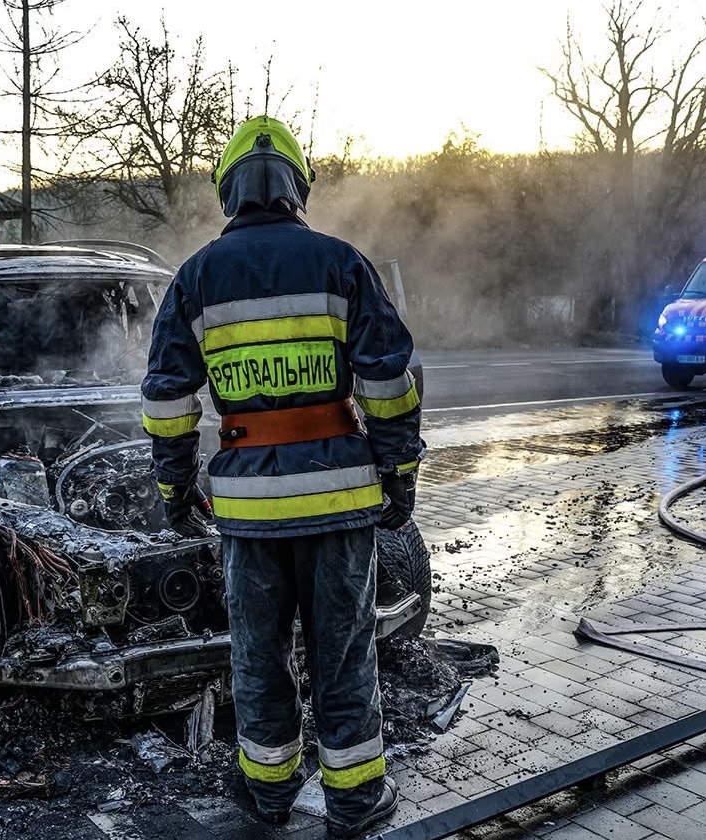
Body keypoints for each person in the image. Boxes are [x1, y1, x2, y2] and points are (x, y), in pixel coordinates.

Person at [140, 115, 424, 838]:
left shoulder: (196, 278)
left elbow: (168, 403)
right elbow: (389, 382)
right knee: (344, 652)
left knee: (259, 658)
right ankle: (357, 801)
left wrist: (176, 492)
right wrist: (399, 478)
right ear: (299, 186)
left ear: (229, 190)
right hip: (339, 501)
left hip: (249, 512)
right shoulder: (342, 264)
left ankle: (267, 796)